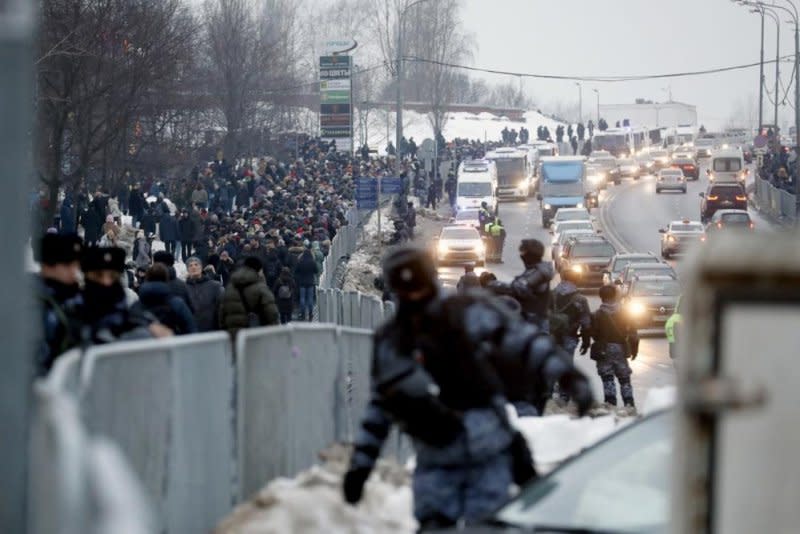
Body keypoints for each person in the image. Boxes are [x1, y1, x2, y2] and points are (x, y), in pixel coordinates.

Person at [343, 247, 591, 529]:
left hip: (486, 447)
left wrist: (568, 376)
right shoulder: (393, 341)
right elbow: (381, 407)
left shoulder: (466, 313)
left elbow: (523, 343)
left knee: (487, 523)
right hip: (437, 453)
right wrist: (360, 467)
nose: (415, 299)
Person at [78, 246, 173, 345]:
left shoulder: (128, 302)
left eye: (112, 276)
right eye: (98, 276)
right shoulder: (75, 309)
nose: (106, 282)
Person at [34, 233, 84, 376]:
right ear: (47, 265)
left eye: (76, 265)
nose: (74, 271)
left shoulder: (72, 295)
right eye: (67, 265)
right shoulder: (34, 302)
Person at [590, 284, 640, 412]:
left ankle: (610, 405)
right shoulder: (625, 313)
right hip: (621, 350)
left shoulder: (596, 315)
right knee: (624, 379)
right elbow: (634, 336)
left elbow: (592, 333)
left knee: (607, 379)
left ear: (601, 297)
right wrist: (634, 351)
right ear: (615, 296)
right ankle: (629, 405)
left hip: (603, 350)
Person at [489, 239, 554, 330]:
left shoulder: (540, 272)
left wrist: (496, 285)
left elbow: (520, 287)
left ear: (530, 255)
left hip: (534, 322)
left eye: (524, 253)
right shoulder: (534, 270)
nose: (521, 256)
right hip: (528, 318)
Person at [550, 267, 591, 405]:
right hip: (569, 338)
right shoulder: (580, 299)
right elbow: (586, 322)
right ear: (577, 280)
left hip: (551, 337)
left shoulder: (551, 294)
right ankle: (564, 396)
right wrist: (586, 341)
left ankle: (548, 394)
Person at [219, 256, 279, 339]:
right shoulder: (260, 287)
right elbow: (272, 314)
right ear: (259, 270)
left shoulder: (230, 287)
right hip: (256, 336)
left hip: (234, 337)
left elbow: (222, 314)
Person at [138, 264, 197, 335]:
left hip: (146, 344)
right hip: (173, 343)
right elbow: (191, 330)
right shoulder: (177, 303)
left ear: (147, 278)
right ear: (166, 278)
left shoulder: (137, 305)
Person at [185, 256, 223, 332]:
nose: (193, 267)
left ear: (201, 267)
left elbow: (222, 307)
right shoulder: (183, 288)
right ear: (187, 269)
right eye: (190, 265)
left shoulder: (215, 285)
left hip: (212, 331)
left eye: (196, 264)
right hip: (191, 332)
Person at [294, 247, 319, 321]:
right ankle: (310, 314)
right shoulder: (312, 262)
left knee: (302, 299)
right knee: (310, 299)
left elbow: (296, 271)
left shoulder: (300, 261)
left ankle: (303, 314)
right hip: (310, 282)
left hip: (302, 282)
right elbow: (316, 271)